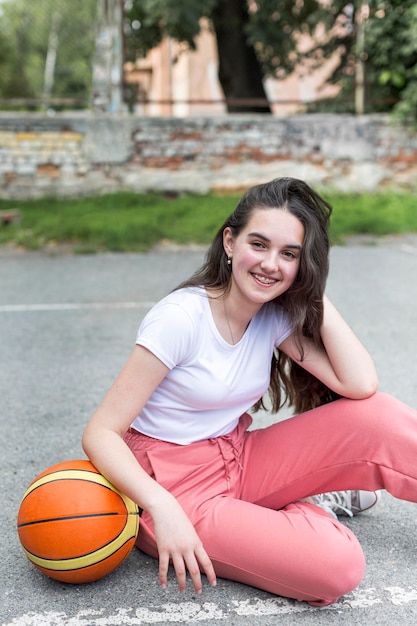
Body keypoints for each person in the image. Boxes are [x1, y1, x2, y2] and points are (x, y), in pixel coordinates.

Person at [83, 177, 417, 606]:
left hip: (237, 458)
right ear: (229, 242)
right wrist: (163, 508)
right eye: (258, 244)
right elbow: (100, 433)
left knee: (380, 417)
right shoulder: (180, 319)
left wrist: (311, 290)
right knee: (335, 565)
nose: (270, 264)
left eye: (289, 254)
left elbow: (359, 384)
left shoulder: (271, 315)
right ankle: (303, 504)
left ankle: (278, 505)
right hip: (173, 487)